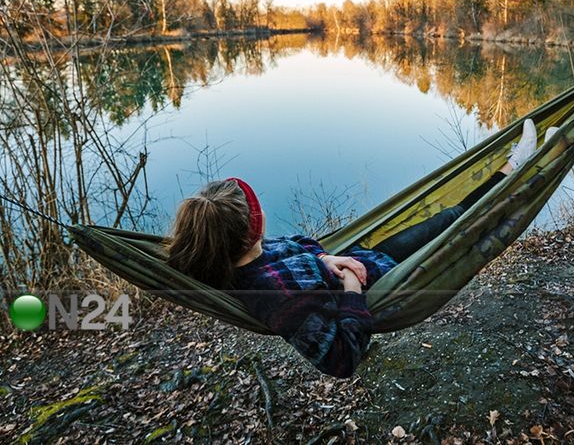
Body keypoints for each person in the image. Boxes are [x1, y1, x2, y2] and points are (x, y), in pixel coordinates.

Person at [167, 119, 549, 378]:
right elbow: (341, 358)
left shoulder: (247, 254)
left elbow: (300, 247)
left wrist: (324, 257)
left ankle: (516, 167)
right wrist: (351, 286)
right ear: (253, 227)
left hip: (367, 259)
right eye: (256, 207)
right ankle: (526, 173)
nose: (262, 209)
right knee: (466, 227)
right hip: (381, 284)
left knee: (453, 216)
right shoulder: (276, 298)